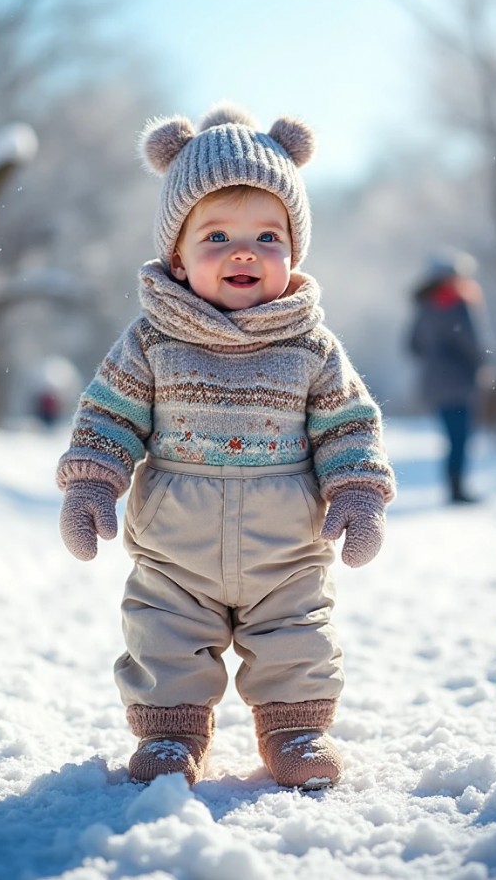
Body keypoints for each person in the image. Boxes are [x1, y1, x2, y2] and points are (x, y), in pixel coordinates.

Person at [57, 104, 396, 790]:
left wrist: (358, 488)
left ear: (292, 253)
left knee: (297, 633)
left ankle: (296, 729)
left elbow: (347, 424)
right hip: (177, 545)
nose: (244, 251)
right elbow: (109, 415)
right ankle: (172, 736)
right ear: (177, 258)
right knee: (164, 634)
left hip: (286, 544)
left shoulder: (310, 346)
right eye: (216, 235)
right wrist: (93, 480)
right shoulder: (152, 340)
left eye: (267, 235)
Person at [408, 249, 492, 503]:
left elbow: (411, 345)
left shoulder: (425, 307)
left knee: (452, 437)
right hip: (459, 382)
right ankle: (458, 490)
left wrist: (434, 357)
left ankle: (454, 487)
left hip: (434, 384)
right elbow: (473, 342)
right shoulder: (458, 303)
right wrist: (483, 365)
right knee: (461, 437)